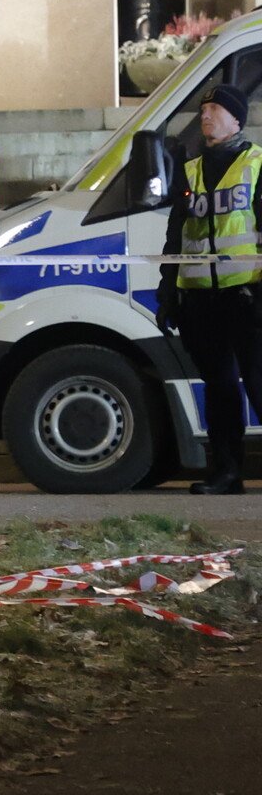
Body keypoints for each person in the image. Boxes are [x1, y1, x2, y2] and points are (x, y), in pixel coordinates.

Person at [156, 83, 262, 494]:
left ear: (237, 118)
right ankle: (227, 471)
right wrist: (168, 292)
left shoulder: (256, 165)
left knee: (257, 383)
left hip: (247, 296)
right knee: (219, 390)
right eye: (203, 109)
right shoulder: (191, 170)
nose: (206, 116)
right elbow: (176, 236)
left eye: (216, 109)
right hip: (201, 299)